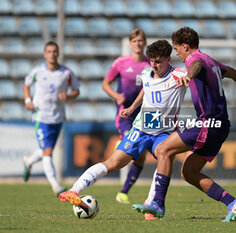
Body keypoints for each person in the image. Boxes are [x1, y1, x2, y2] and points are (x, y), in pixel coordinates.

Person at [132, 27, 236, 222]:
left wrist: (190, 75)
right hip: (222, 125)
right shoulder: (211, 61)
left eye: (177, 48)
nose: (176, 52)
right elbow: (235, 73)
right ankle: (232, 203)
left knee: (163, 150)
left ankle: (157, 203)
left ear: (185, 46)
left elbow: (194, 65)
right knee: (189, 172)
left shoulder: (194, 60)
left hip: (209, 122)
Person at [58, 40, 188, 219]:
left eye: (158, 61)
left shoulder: (180, 74)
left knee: (165, 157)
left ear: (168, 59)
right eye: (151, 61)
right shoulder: (146, 73)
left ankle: (151, 203)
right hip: (141, 129)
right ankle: (74, 190)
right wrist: (132, 108)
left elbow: (198, 73)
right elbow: (146, 90)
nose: (154, 65)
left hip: (164, 132)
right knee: (112, 163)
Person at [22, 41, 80, 196]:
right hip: (41, 116)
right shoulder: (37, 71)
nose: (52, 54)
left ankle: (28, 162)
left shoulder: (66, 73)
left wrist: (67, 96)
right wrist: (28, 101)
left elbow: (76, 90)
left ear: (58, 53)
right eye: (49, 51)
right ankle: (55, 186)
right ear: (44, 54)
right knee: (47, 152)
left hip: (58, 117)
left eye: (54, 51)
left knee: (46, 150)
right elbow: (26, 85)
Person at [101, 29, 151, 204]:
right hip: (125, 114)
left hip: (144, 112)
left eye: (141, 40)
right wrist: (116, 96)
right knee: (133, 144)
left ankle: (123, 192)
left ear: (145, 43)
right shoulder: (121, 63)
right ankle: (123, 142)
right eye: (135, 41)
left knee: (142, 155)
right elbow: (105, 83)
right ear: (130, 43)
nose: (138, 43)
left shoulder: (150, 64)